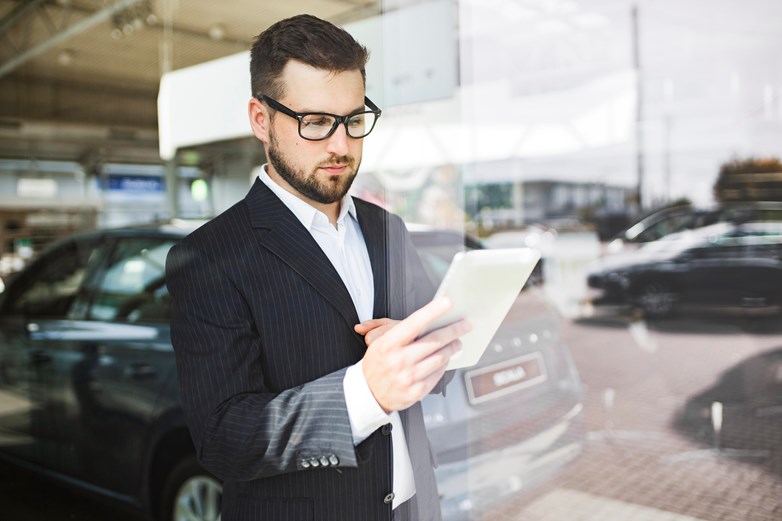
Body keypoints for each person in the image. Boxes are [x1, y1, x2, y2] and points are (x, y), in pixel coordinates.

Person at [166, 14, 470, 521]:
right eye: (315, 122)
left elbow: (433, 366)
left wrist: (426, 351)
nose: (340, 145)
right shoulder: (209, 258)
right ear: (261, 119)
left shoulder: (386, 228)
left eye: (353, 120)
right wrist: (364, 394)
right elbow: (223, 437)